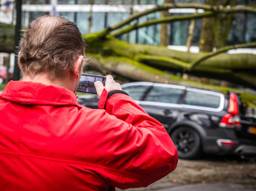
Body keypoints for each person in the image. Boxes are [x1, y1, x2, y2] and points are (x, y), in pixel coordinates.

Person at [0, 16, 178, 191]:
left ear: (20, 59)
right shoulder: (96, 129)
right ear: (77, 66)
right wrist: (117, 98)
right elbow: (163, 153)